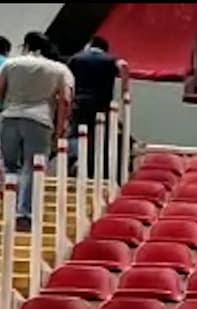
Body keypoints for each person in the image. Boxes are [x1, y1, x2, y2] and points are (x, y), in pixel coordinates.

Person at [0, 31, 70, 231]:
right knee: (31, 167)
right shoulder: (56, 69)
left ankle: (8, 210)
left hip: (10, 117)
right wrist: (59, 129)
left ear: (26, 45)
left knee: (11, 166)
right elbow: (64, 100)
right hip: (39, 120)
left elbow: (0, 91)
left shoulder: (11, 64)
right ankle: (23, 213)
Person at [67, 36, 125, 177]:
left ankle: (76, 160)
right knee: (98, 135)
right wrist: (125, 91)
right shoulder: (110, 60)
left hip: (79, 102)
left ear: (90, 44)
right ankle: (94, 166)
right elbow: (124, 66)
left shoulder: (75, 58)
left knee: (76, 133)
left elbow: (67, 82)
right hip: (102, 104)